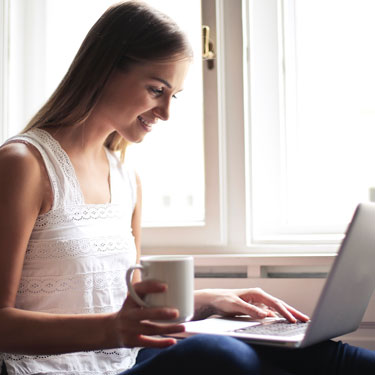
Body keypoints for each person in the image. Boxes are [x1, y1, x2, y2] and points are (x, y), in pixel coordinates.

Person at [0, 1, 374, 374]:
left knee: (317, 352)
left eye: (172, 95)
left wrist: (211, 300)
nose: (165, 113)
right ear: (105, 70)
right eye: (155, 90)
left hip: (124, 362)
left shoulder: (127, 178)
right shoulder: (24, 165)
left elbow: (125, 304)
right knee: (220, 355)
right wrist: (113, 329)